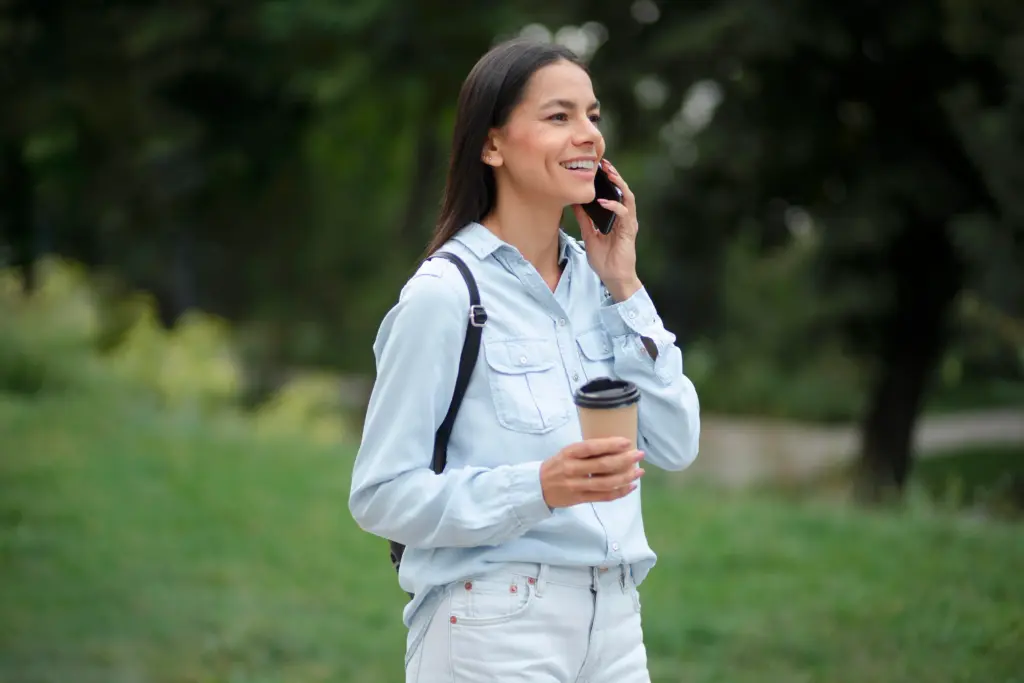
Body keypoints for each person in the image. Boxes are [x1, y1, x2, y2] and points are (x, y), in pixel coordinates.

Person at [349, 38, 701, 683]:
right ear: (492, 145)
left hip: (618, 623)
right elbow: (379, 495)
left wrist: (626, 285)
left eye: (592, 115)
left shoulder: (603, 287)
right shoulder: (446, 295)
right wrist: (539, 487)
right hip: (494, 623)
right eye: (558, 116)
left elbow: (677, 443)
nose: (588, 135)